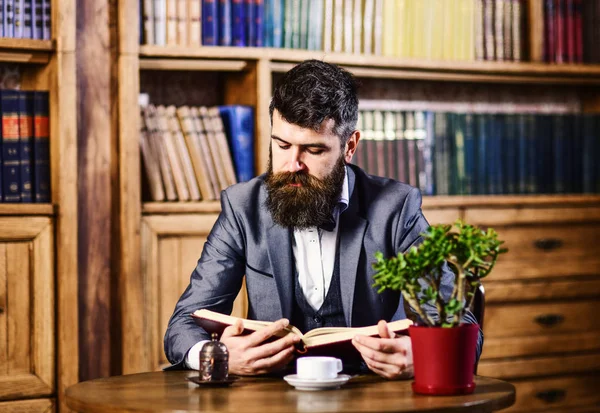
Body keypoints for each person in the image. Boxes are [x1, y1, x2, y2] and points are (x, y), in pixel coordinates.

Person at [164, 59, 482, 379]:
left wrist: (423, 356)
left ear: (349, 146)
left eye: (313, 150)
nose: (292, 164)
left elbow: (463, 327)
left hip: (373, 396)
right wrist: (215, 355)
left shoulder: (397, 209)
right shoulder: (241, 207)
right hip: (271, 400)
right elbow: (183, 325)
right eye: (282, 145)